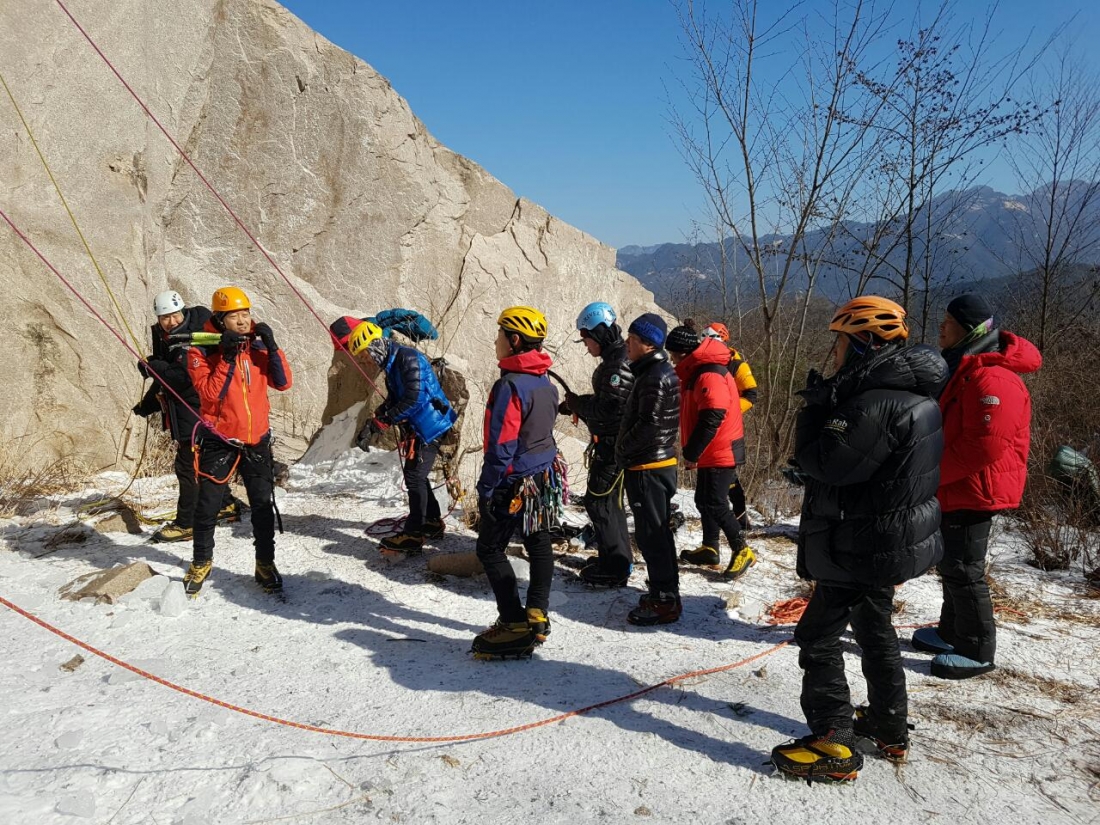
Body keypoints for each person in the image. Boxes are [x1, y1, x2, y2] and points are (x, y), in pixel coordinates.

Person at [771, 296, 946, 783]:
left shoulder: (873, 404)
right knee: (874, 628)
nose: (836, 352)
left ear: (865, 343)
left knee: (816, 637)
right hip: (884, 539)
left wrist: (815, 411)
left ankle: (834, 743)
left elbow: (824, 463)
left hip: (860, 543)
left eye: (842, 342)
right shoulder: (914, 397)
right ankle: (889, 726)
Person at [912, 292, 1042, 680]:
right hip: (958, 484)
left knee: (964, 568)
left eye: (949, 322)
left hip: (975, 488)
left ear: (969, 330)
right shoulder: (967, 367)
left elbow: (984, 446)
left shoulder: (993, 377)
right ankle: (951, 632)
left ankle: (977, 649)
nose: (941, 327)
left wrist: (931, 474)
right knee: (951, 564)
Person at [183, 287, 293, 597]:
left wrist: (272, 348)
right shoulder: (201, 351)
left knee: (262, 505)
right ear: (220, 320)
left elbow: (283, 383)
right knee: (207, 506)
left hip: (256, 439)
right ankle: (201, 562)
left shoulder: (254, 345)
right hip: (220, 439)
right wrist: (227, 358)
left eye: (246, 314)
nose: (243, 321)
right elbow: (209, 394)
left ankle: (265, 563)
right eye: (235, 316)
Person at [471, 306, 564, 658]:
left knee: (489, 549)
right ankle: (537, 614)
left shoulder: (509, 386)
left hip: (514, 480)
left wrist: (487, 488)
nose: (495, 341)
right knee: (538, 541)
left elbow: (502, 446)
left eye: (499, 335)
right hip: (542, 476)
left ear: (514, 340)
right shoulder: (545, 382)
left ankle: (513, 623)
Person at [132, 290, 240, 543]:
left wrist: (153, 366)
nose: (170, 321)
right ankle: (225, 505)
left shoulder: (193, 337)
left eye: (174, 315)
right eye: (164, 318)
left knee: (188, 467)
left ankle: (187, 523)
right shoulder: (170, 336)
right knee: (204, 463)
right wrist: (148, 404)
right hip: (190, 411)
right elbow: (166, 380)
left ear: (183, 311)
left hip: (196, 411)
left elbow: (180, 379)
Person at [349, 320, 457, 553]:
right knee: (416, 474)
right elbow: (396, 399)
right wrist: (374, 422)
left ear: (375, 346)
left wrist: (383, 421)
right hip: (422, 424)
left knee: (414, 477)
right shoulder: (393, 362)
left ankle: (413, 533)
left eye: (364, 355)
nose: (364, 361)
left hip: (431, 425)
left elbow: (415, 399)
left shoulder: (407, 358)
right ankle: (431, 521)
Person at [664, 325, 756, 579]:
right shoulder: (698, 371)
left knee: (715, 502)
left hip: (720, 449)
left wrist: (692, 452)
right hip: (712, 449)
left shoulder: (709, 374)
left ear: (683, 353)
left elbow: (713, 415)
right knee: (704, 500)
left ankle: (742, 550)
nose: (672, 360)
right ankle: (710, 548)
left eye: (673, 355)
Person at [558, 302, 635, 587]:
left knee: (600, 502)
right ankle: (615, 560)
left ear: (599, 333)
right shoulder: (615, 359)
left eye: (586, 338)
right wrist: (576, 404)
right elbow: (607, 401)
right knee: (609, 503)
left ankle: (615, 567)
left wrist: (578, 404)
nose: (585, 344)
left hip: (613, 447)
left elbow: (610, 409)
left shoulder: (617, 365)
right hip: (613, 445)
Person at [616, 313, 682, 626]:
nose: (626, 344)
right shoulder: (654, 371)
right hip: (655, 463)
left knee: (652, 536)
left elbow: (649, 425)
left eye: (632, 340)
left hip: (648, 465)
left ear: (648, 344)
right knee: (657, 533)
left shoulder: (654, 376)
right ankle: (663, 592)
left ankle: (664, 601)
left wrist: (622, 449)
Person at [702, 322, 758, 529]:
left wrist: (730, 410)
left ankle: (739, 517)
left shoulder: (737, 365)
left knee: (729, 474)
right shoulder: (704, 362)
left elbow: (751, 394)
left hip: (728, 427)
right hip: (709, 425)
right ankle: (720, 519)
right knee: (711, 474)